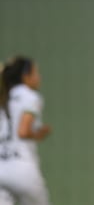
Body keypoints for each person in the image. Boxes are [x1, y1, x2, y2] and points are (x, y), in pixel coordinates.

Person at [0, 56, 52, 205]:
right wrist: (39, 133)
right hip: (22, 169)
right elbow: (23, 131)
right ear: (26, 76)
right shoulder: (29, 96)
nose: (39, 77)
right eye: (36, 73)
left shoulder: (4, 97)